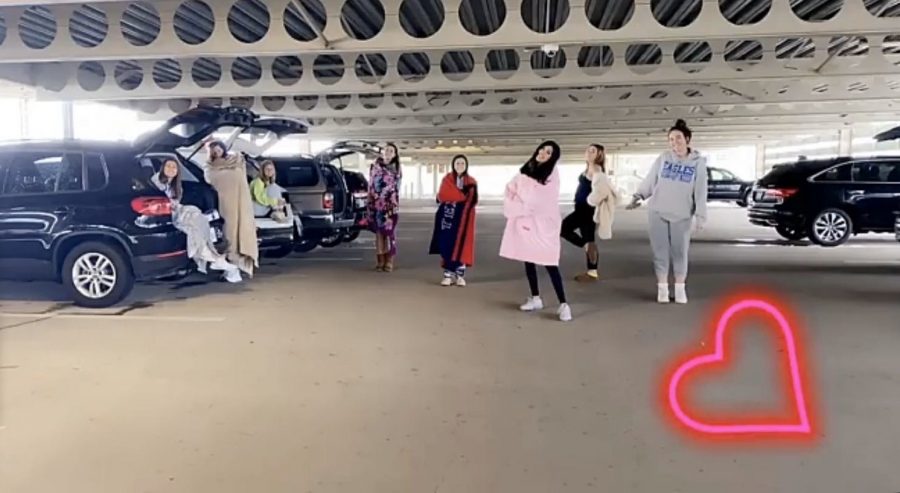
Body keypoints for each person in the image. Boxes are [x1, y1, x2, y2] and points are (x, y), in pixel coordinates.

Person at [626, 119, 708, 304]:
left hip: (682, 214)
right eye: (671, 139)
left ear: (687, 139)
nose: (674, 143)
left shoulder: (698, 163)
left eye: (678, 138)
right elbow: (650, 180)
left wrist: (701, 216)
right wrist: (638, 196)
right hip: (657, 211)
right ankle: (662, 288)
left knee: (680, 251)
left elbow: (701, 190)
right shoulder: (663, 158)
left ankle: (680, 288)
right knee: (659, 251)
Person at [499, 141, 571, 322]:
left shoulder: (552, 174)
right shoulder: (526, 169)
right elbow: (511, 189)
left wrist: (524, 203)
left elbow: (542, 199)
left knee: (550, 262)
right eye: (542, 149)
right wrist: (519, 205)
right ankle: (535, 297)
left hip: (544, 225)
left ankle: (564, 304)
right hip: (527, 223)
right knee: (528, 259)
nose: (543, 153)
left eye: (549, 152)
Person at [151, 159, 242, 283]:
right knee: (194, 221)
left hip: (179, 210)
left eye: (174, 167)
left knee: (200, 219)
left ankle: (213, 256)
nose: (171, 168)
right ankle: (212, 258)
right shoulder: (156, 181)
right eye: (168, 166)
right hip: (169, 214)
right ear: (162, 168)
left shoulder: (177, 186)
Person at [206, 140, 259, 277]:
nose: (217, 152)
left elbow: (243, 181)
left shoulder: (237, 161)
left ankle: (238, 265)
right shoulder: (210, 167)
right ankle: (229, 265)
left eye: (218, 149)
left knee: (242, 231)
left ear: (223, 149)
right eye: (214, 151)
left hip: (240, 203)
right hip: (224, 205)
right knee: (228, 232)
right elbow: (211, 181)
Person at [429, 154, 478, 287]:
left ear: (466, 165)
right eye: (457, 163)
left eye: (462, 163)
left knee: (462, 245)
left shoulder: (471, 182)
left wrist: (456, 198)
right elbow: (442, 195)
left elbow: (472, 200)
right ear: (453, 165)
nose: (460, 166)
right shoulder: (447, 179)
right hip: (448, 218)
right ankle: (448, 275)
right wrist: (460, 197)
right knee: (447, 244)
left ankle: (460, 276)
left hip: (464, 219)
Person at [561, 144, 605, 282]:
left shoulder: (596, 169)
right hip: (581, 208)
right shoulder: (589, 168)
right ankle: (592, 270)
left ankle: (592, 270)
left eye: (593, 151)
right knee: (587, 239)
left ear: (599, 155)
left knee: (564, 228)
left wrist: (591, 202)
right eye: (588, 150)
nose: (588, 152)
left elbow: (601, 190)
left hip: (586, 210)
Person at [367, 143, 401, 272]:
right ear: (382, 152)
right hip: (376, 204)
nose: (388, 153)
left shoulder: (397, 169)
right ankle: (380, 260)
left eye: (391, 151)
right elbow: (371, 184)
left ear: (395, 154)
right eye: (386, 150)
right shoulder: (375, 167)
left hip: (390, 205)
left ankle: (389, 260)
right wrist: (371, 199)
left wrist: (392, 202)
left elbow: (397, 188)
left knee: (389, 233)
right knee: (379, 233)